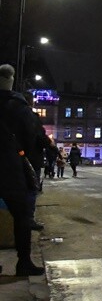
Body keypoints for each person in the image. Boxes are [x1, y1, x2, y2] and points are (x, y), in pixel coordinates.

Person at [0, 63, 45, 276]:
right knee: (21, 215)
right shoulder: (19, 107)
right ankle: (23, 262)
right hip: (10, 168)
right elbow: (30, 138)